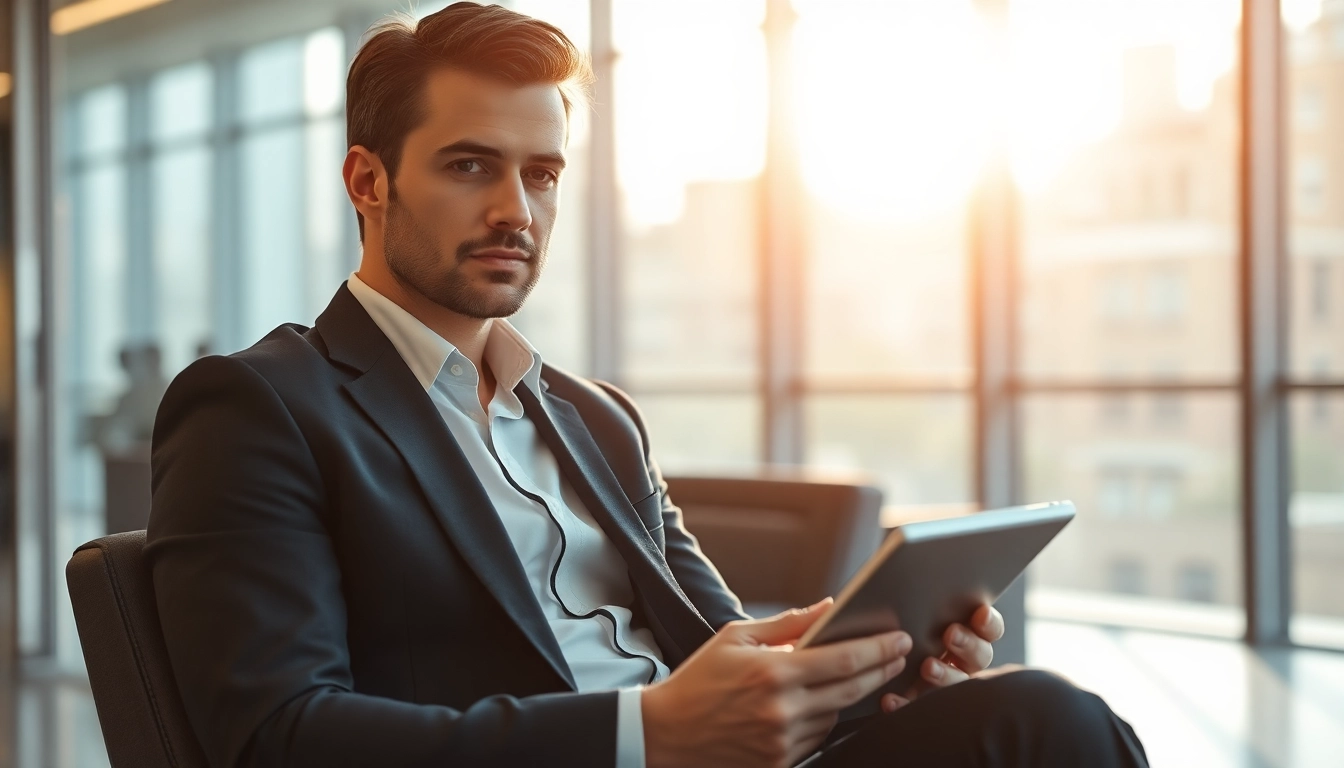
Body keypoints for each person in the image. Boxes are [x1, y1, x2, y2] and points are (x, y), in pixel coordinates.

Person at [146, 3, 1149, 766]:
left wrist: (866, 665)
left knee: (1049, 715)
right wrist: (642, 733)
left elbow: (726, 656)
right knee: (1045, 723)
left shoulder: (594, 419)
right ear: (369, 181)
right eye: (468, 166)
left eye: (541, 174)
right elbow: (275, 735)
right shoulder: (260, 407)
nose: (516, 209)